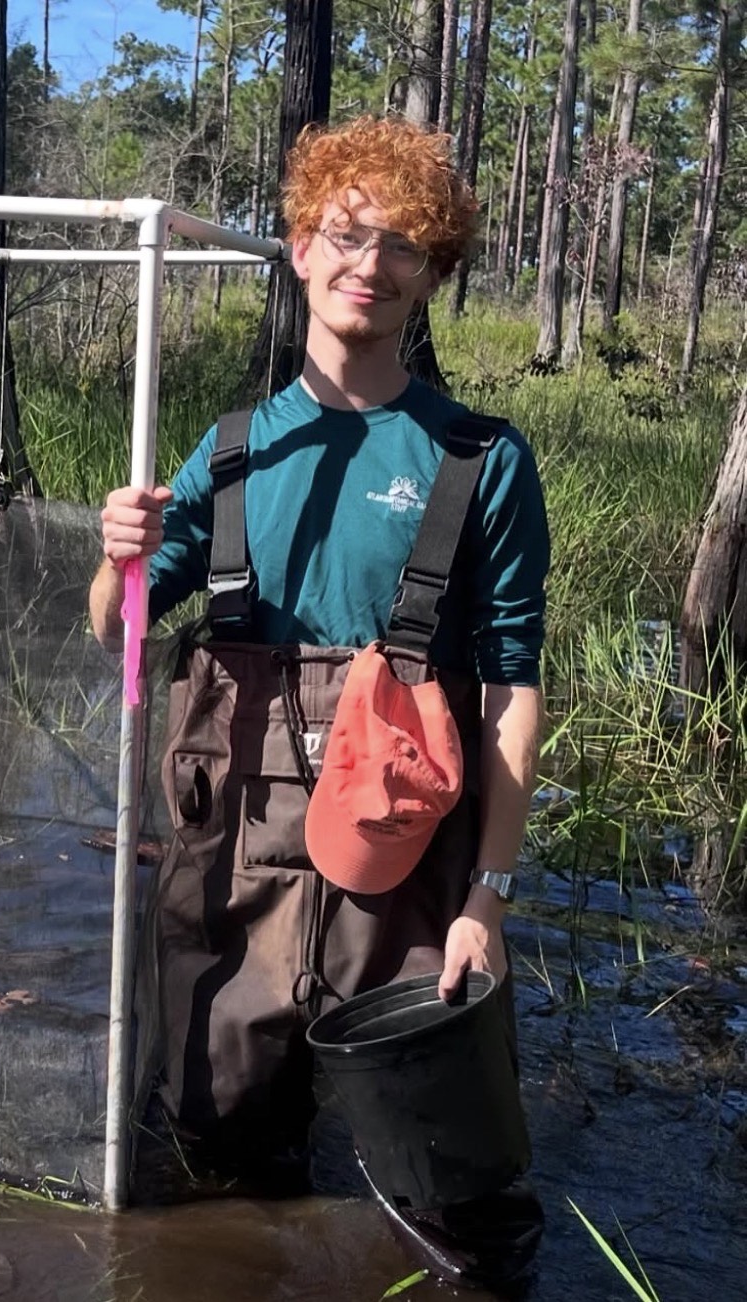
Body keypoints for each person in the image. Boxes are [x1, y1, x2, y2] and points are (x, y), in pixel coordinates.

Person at [88, 115, 549, 1286]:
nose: (370, 264)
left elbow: (509, 696)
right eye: (347, 234)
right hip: (226, 872)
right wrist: (118, 559)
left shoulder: (479, 462)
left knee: (459, 1213)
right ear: (299, 248)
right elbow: (116, 639)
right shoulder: (231, 452)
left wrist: (485, 904)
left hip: (406, 878)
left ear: (433, 275)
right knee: (215, 1184)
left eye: (404, 245)